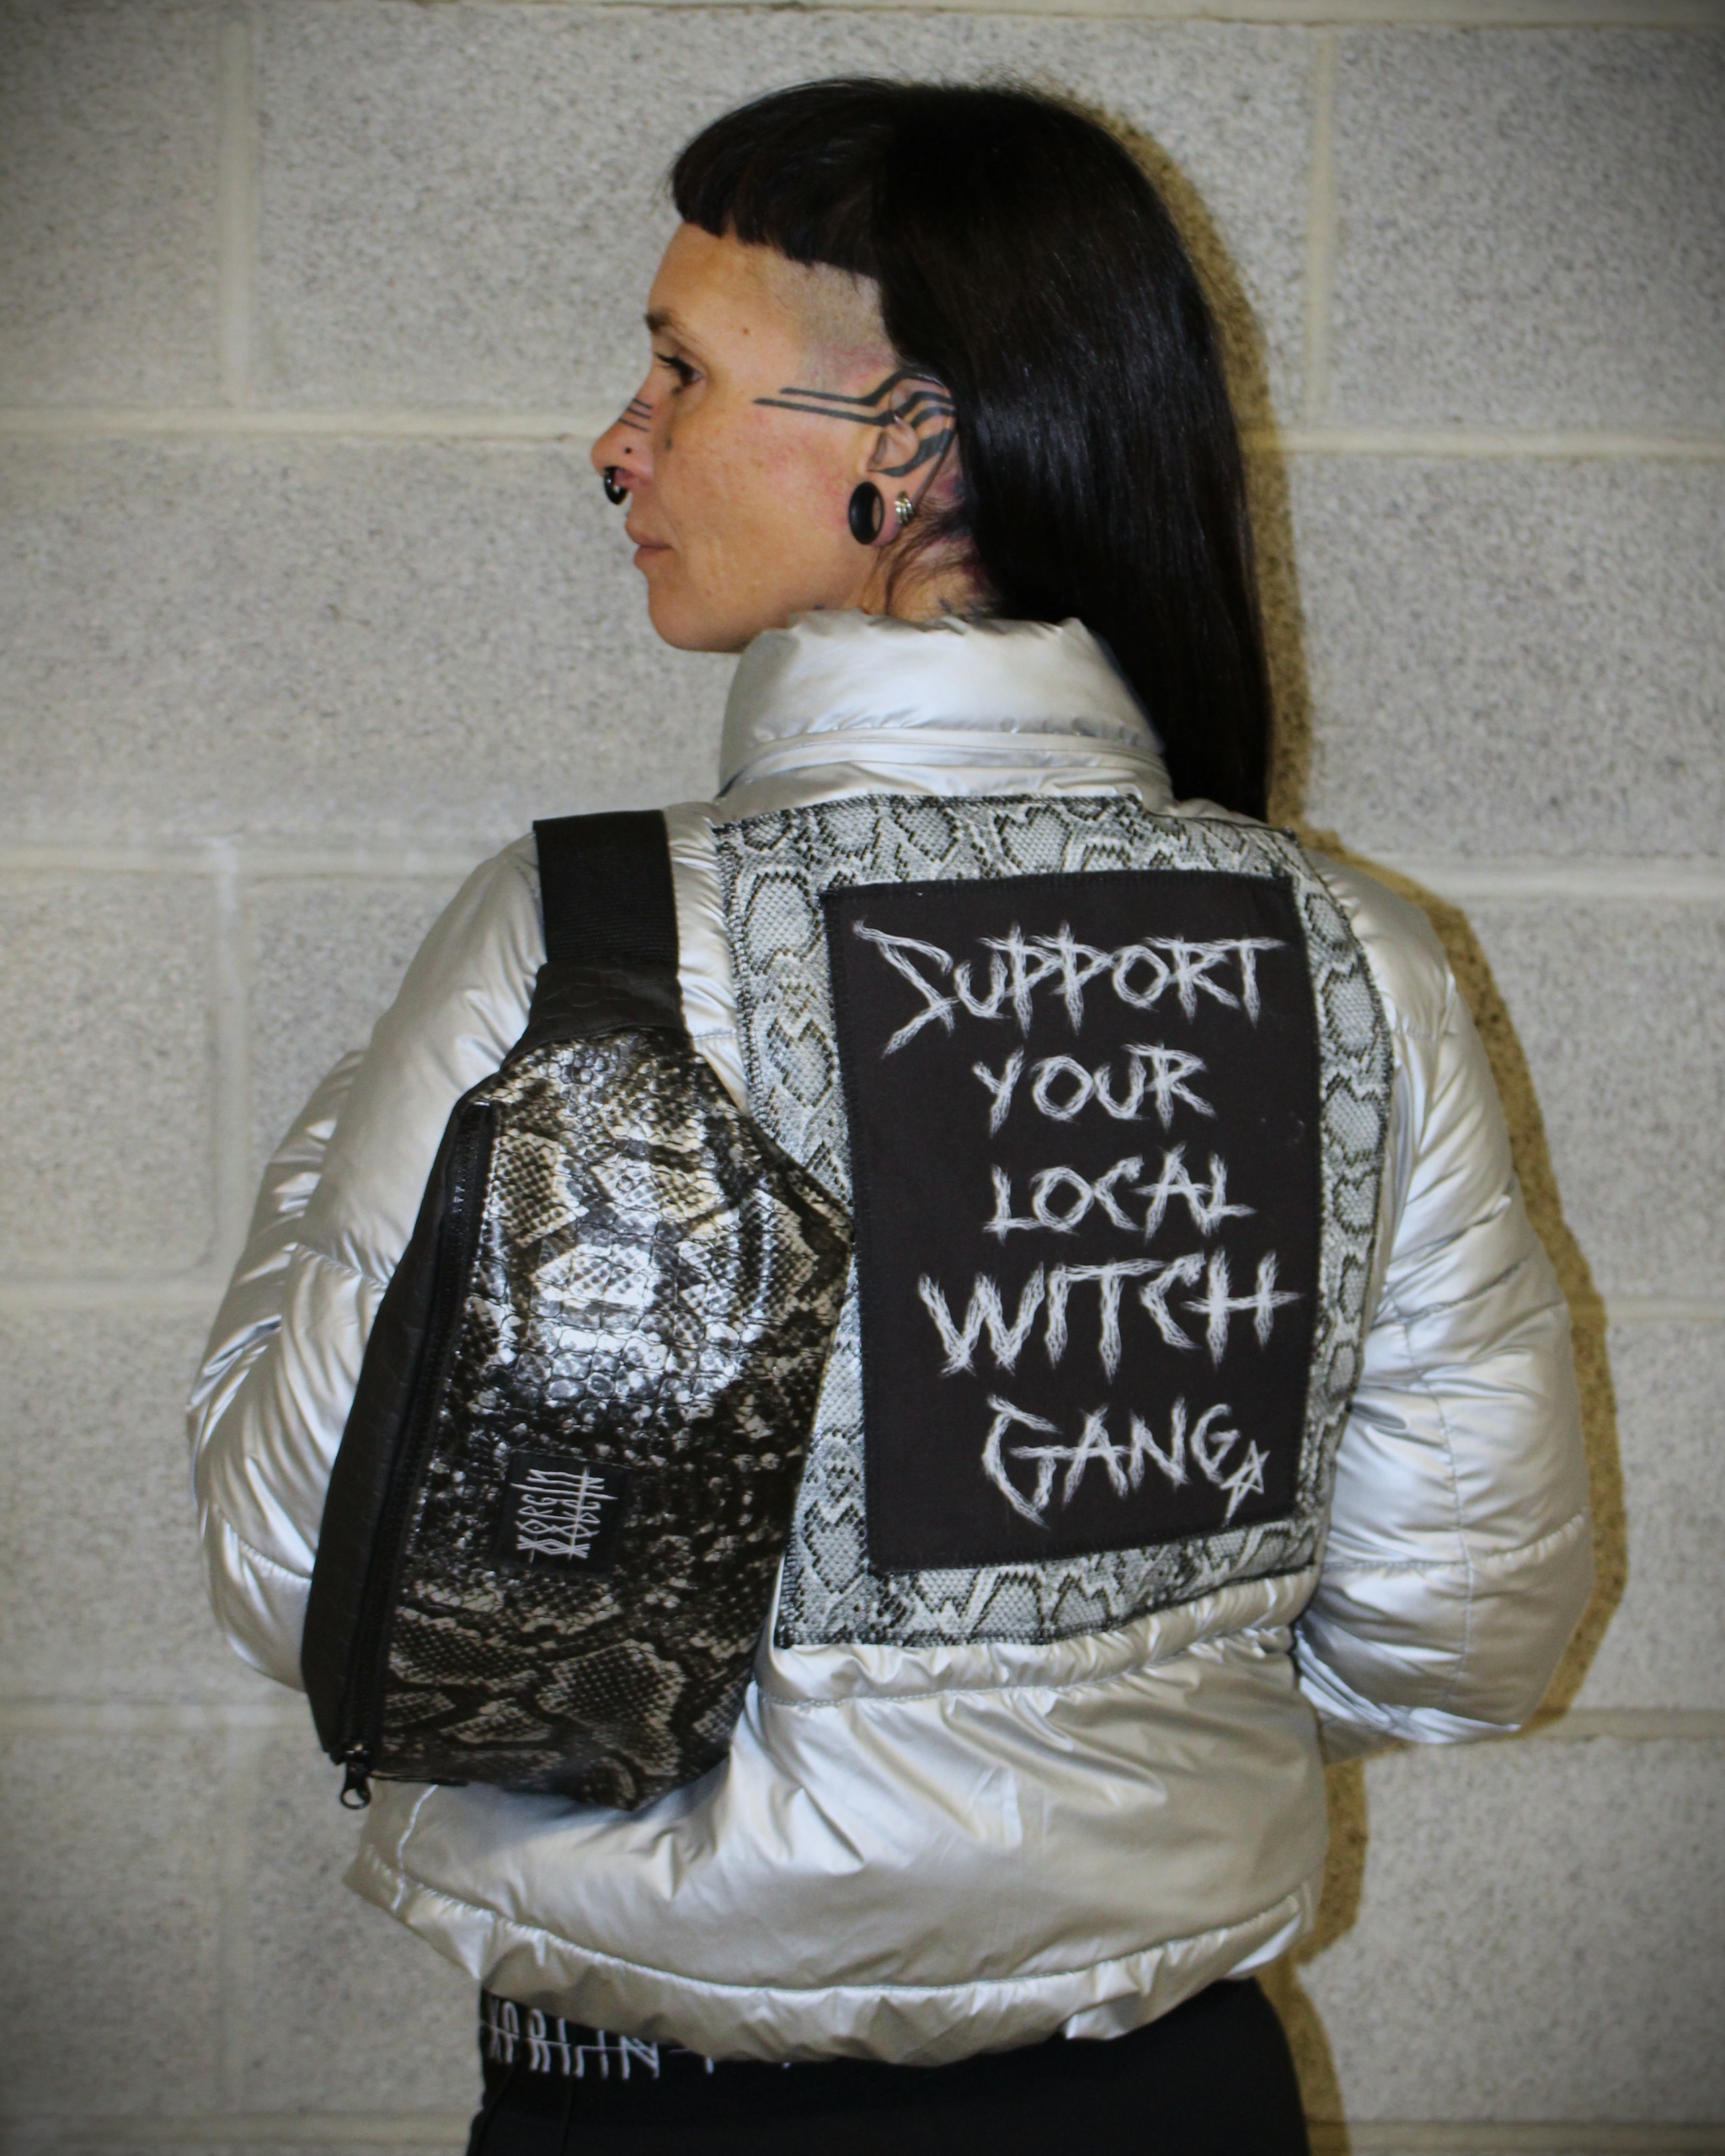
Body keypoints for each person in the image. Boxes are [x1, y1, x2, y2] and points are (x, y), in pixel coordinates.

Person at [189, 80, 1593, 2155]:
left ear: (916, 447)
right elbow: (1459, 1632)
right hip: (1169, 2098)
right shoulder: (1348, 956)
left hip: (656, 2110)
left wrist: (340, 1131)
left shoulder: (587, 941)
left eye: (680, 369)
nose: (618, 441)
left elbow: (302, 1565)